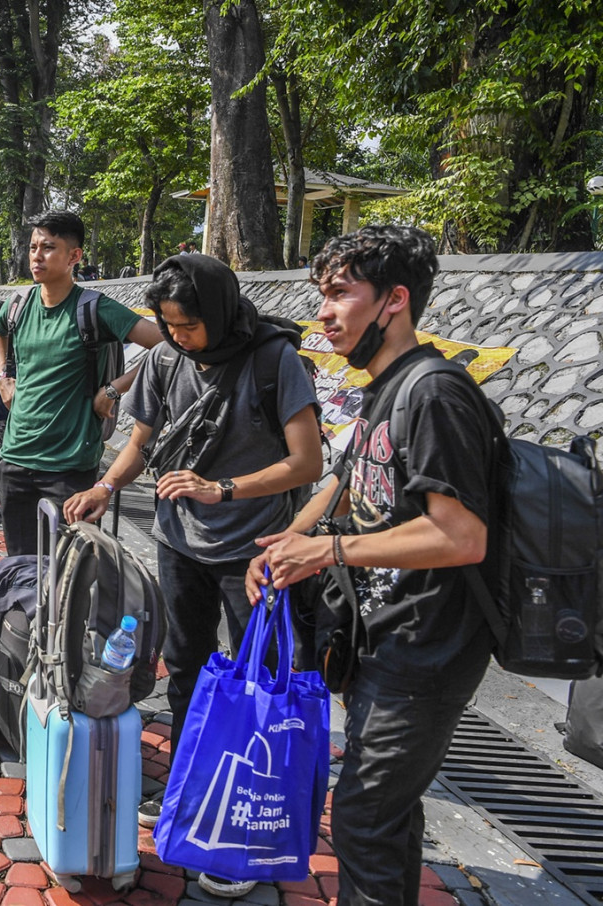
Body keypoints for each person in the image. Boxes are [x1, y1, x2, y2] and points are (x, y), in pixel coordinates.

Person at [248, 225, 496, 906]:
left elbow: (461, 536)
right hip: (384, 639)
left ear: (395, 300)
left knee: (362, 817)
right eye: (319, 296)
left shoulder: (435, 394)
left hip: (427, 648)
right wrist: (282, 546)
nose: (323, 312)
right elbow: (345, 483)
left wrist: (325, 550)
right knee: (384, 815)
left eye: (339, 294)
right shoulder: (384, 388)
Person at [62, 252, 323, 899]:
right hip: (181, 544)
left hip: (255, 551)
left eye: (188, 325)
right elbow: (141, 441)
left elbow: (308, 461)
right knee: (184, 670)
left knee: (257, 683)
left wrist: (222, 488)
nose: (178, 336)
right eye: (169, 325)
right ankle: (189, 790)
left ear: (219, 310)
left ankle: (244, 824)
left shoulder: (272, 360)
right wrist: (105, 485)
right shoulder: (161, 362)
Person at [0, 210, 163, 555]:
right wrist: (1, 377)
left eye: (48, 247)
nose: (37, 256)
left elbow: (167, 348)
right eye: (33, 247)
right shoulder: (18, 304)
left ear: (74, 256)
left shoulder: (94, 309)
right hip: (16, 459)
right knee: (21, 568)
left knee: (71, 574)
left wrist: (114, 389)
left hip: (69, 467)